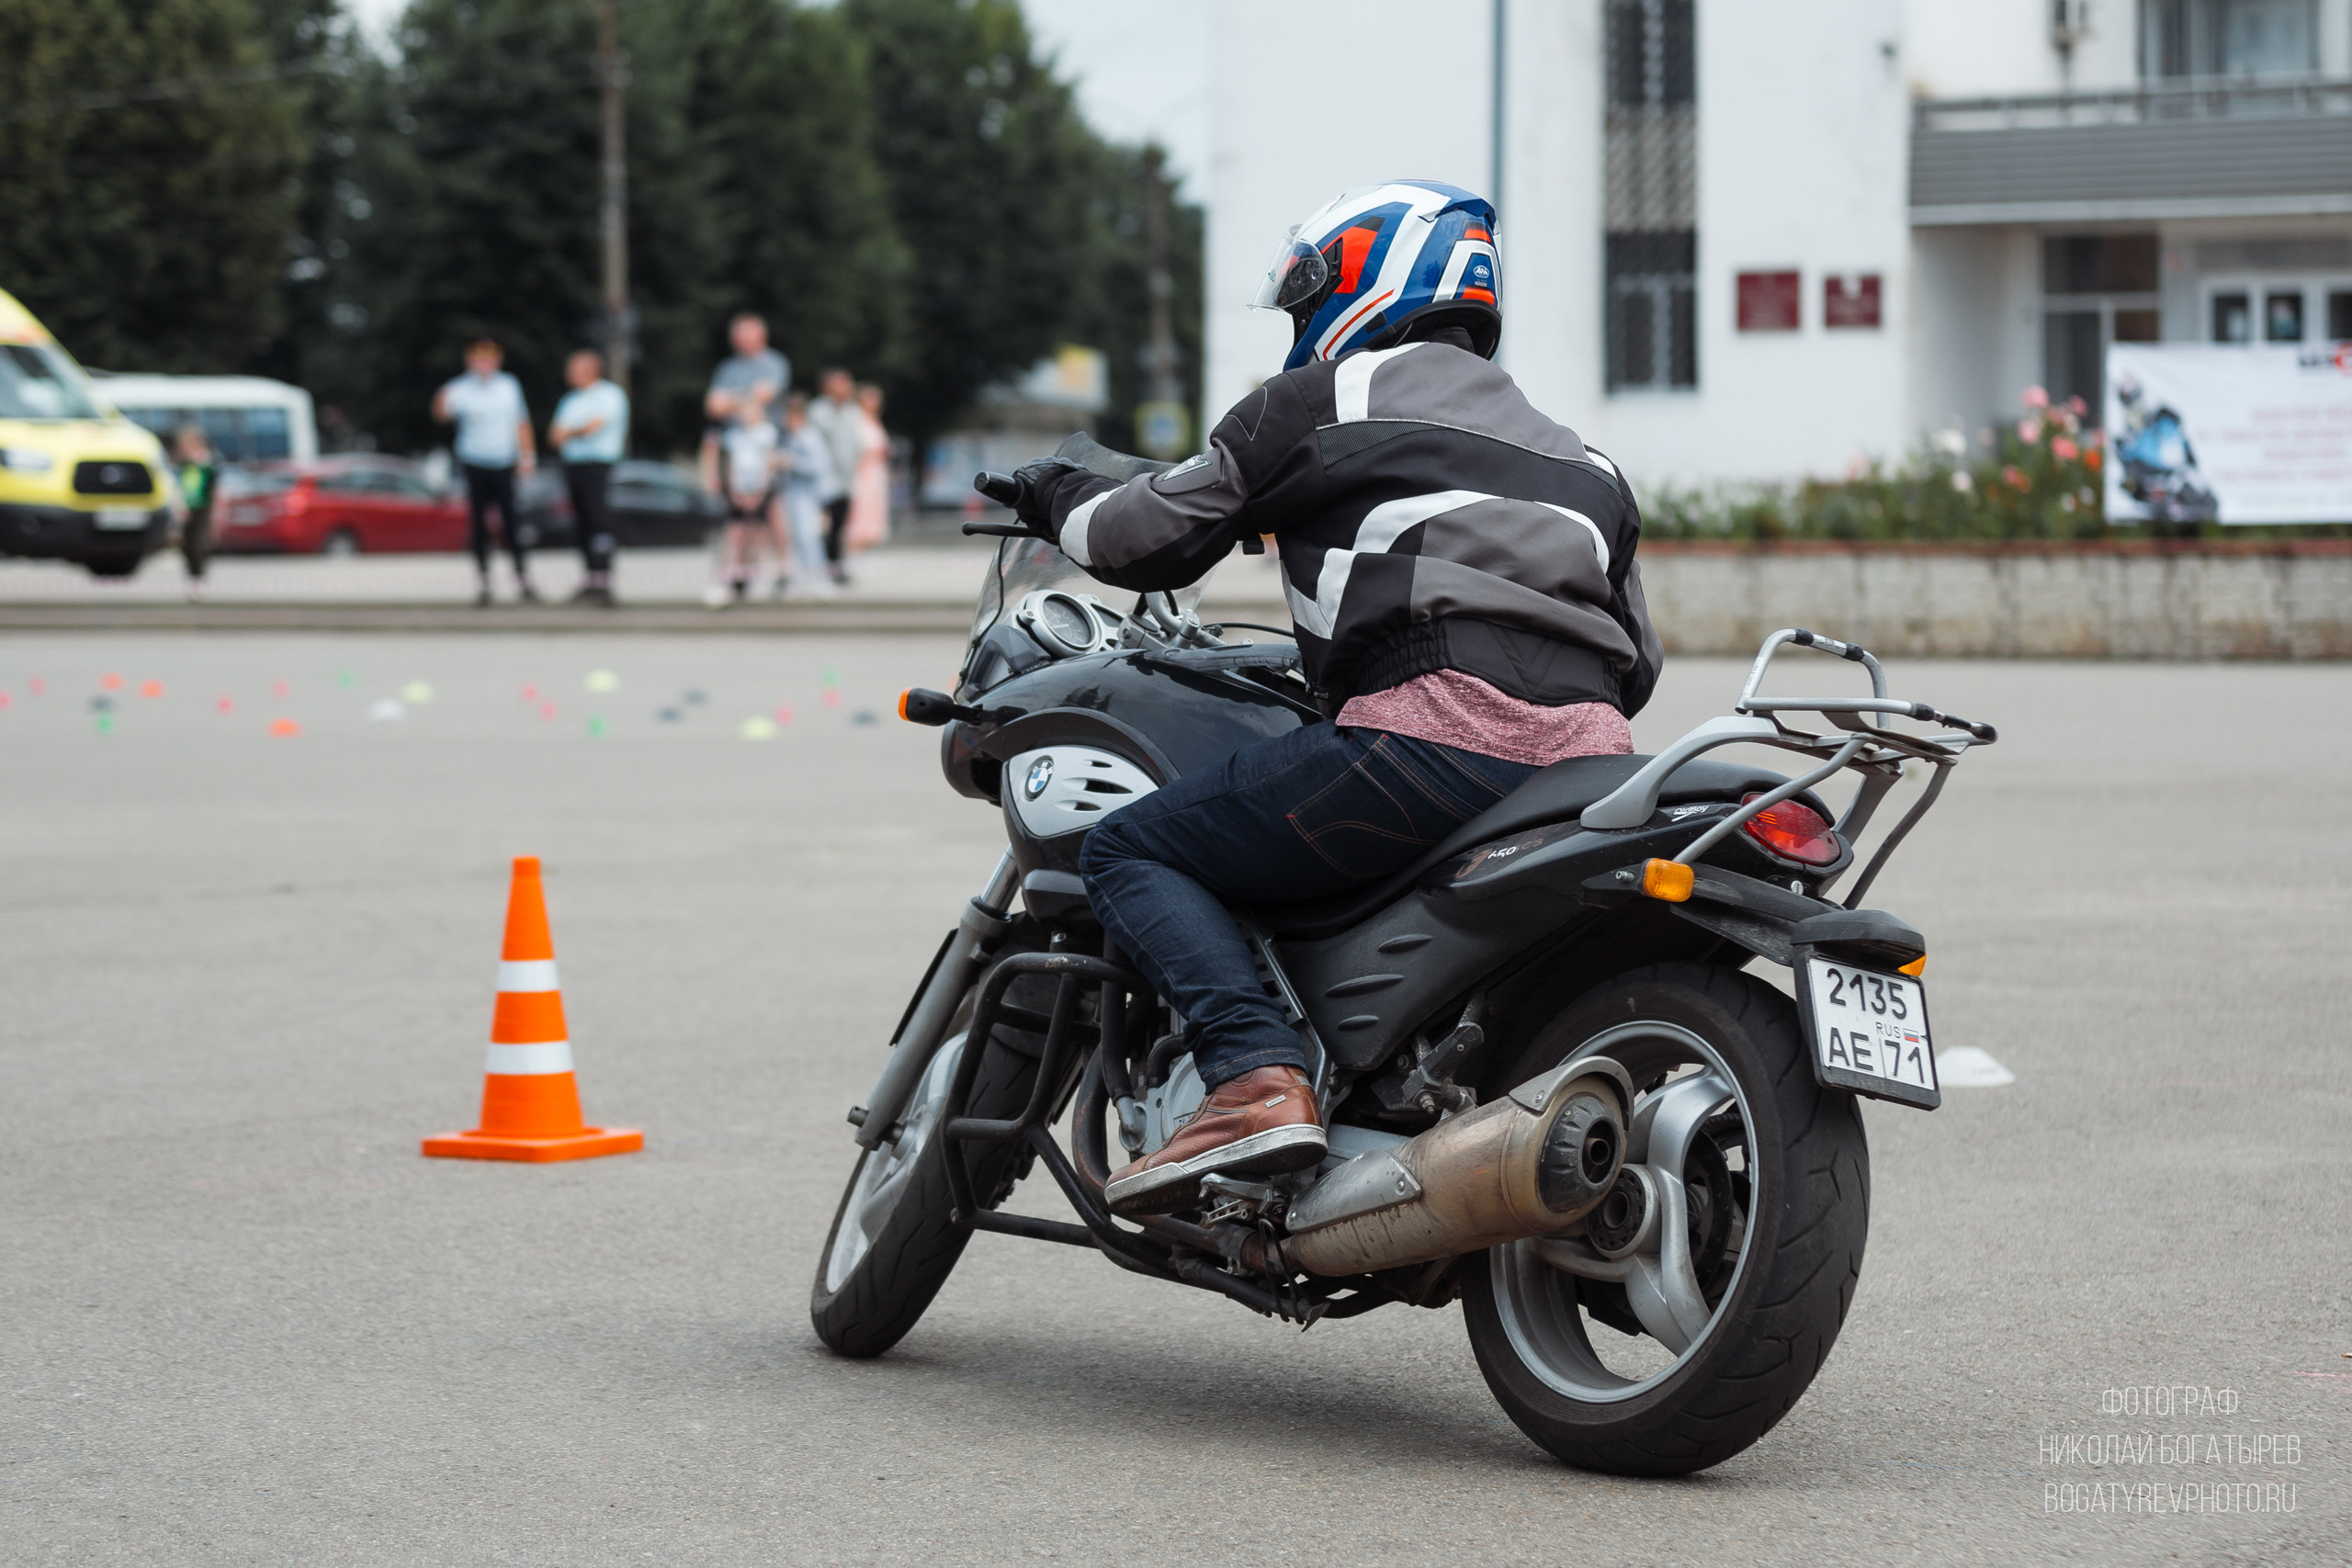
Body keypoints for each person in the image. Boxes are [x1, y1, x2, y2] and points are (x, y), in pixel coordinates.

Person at [994, 181, 1664, 1216]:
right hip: (1588, 770)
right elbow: (1638, 661)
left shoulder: (1319, 402)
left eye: (1308, 294)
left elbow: (1143, 538)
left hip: (1424, 746)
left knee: (1131, 849)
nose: (1303, 322)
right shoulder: (1590, 464)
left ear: (1363, 282)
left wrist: (1057, 492)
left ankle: (1255, 1078)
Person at [432, 338, 537, 605]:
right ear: (470, 362)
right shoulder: (460, 388)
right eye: (479, 359)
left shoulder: (508, 386)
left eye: (488, 359)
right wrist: (440, 399)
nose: (484, 364)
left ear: (497, 362)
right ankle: (484, 582)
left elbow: (521, 422)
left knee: (512, 522)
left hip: (503, 461)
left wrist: (527, 456)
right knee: (478, 524)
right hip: (474, 461)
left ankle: (522, 579)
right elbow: (441, 415)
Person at [548, 349, 629, 606]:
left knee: (598, 520)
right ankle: (589, 579)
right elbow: (554, 436)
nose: (568, 373)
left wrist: (571, 432)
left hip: (598, 465)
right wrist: (576, 432)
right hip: (574, 466)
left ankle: (604, 580)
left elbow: (593, 428)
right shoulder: (571, 400)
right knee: (581, 523)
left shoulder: (610, 395)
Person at [702, 312, 791, 551]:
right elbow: (712, 406)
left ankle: (783, 570)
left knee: (772, 509)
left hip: (766, 446)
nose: (739, 340)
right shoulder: (728, 367)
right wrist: (748, 397)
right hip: (735, 447)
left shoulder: (774, 363)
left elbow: (765, 396)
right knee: (736, 511)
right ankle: (740, 572)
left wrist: (730, 400)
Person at [711, 389, 780, 605]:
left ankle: (756, 577)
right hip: (739, 491)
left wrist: (760, 491)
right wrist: (732, 491)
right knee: (736, 534)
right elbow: (730, 465)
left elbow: (768, 464)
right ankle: (732, 577)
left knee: (757, 535)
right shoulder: (734, 436)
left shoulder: (767, 433)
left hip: (757, 490)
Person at [778, 391, 841, 595]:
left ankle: (819, 577)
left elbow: (819, 467)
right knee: (798, 537)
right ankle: (804, 577)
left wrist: (791, 463)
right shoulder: (791, 438)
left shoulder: (810, 437)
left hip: (810, 496)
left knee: (809, 536)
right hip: (795, 495)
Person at [806, 367, 864, 584]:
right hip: (824, 481)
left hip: (845, 480)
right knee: (823, 526)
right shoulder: (817, 412)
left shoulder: (851, 410)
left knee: (840, 526)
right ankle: (822, 567)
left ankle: (837, 565)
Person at [170, 424, 220, 602]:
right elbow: (179, 487)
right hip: (185, 508)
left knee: (198, 544)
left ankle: (199, 580)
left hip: (202, 509)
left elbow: (213, 489)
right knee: (185, 545)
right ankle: (191, 580)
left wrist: (217, 511)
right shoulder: (183, 464)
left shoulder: (206, 464)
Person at [844, 382, 892, 552]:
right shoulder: (856, 419)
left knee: (874, 510)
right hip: (863, 471)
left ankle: (865, 546)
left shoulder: (875, 420)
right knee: (860, 510)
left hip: (876, 471)